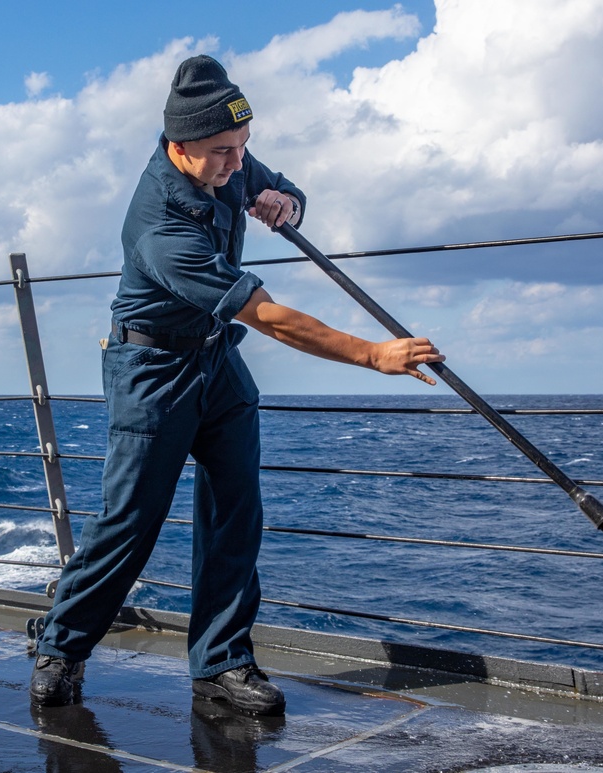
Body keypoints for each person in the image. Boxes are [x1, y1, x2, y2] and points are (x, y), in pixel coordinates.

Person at [29, 55, 444, 716]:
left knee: (236, 509)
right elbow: (270, 316)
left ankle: (221, 661)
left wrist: (287, 201)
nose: (237, 162)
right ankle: (62, 644)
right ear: (179, 145)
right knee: (130, 524)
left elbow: (278, 189)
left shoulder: (224, 154)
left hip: (216, 361)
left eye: (243, 147)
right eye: (224, 152)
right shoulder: (159, 227)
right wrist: (374, 354)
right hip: (152, 372)